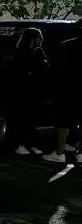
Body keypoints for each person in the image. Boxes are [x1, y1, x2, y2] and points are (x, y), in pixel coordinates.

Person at [43, 31, 82, 164]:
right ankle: (81, 153)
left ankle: (59, 153)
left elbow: (55, 69)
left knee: (63, 122)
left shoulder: (67, 46)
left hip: (68, 89)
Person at [10, 27, 49, 156]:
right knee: (25, 118)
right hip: (26, 89)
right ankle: (23, 144)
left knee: (29, 118)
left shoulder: (30, 52)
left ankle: (29, 143)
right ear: (33, 39)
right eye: (39, 37)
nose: (41, 40)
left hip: (29, 90)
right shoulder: (27, 53)